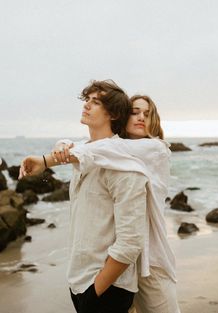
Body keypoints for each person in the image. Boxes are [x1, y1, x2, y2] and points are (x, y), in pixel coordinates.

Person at [19, 80, 149, 313]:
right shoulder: (82, 153)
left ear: (113, 113)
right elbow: (76, 150)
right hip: (79, 281)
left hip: (109, 288)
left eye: (96, 102)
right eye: (87, 99)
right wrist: (48, 158)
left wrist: (95, 291)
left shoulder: (124, 165)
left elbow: (131, 242)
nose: (87, 105)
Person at [52, 95, 181, 313]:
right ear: (122, 115)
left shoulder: (154, 149)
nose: (141, 117)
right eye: (135, 112)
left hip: (150, 260)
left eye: (147, 114)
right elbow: (95, 148)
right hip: (120, 264)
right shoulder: (113, 152)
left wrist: (50, 159)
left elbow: (98, 149)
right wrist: (63, 145)